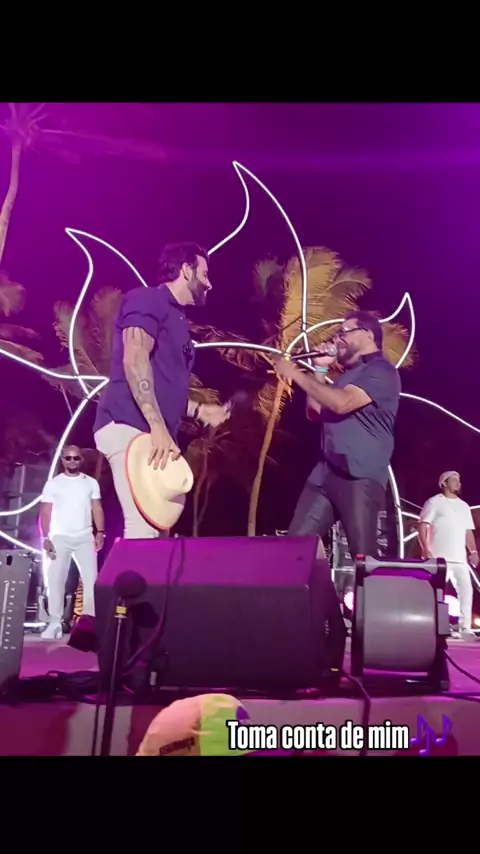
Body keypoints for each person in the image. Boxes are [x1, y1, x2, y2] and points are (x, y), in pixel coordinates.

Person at [94, 242, 230, 539]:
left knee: (158, 535)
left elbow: (161, 384)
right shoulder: (147, 299)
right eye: (205, 274)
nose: (209, 284)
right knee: (143, 531)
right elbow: (135, 358)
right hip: (129, 425)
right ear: (186, 270)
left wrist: (198, 410)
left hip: (152, 432)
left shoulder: (178, 320)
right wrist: (156, 425)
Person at [274, 310, 401, 561]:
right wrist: (319, 369)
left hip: (359, 475)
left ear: (368, 335)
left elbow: (342, 403)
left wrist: (296, 374)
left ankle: (372, 587)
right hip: (326, 473)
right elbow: (314, 412)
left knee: (363, 559)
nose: (338, 339)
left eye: (344, 332)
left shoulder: (381, 370)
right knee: (294, 550)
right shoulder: (345, 377)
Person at [40, 445, 105, 640]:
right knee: (56, 580)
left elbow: (97, 508)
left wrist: (100, 532)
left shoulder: (90, 483)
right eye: (68, 458)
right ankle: (54, 622)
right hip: (59, 537)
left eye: (76, 458)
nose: (72, 461)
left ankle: (88, 623)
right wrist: (45, 537)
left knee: (91, 580)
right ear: (62, 460)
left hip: (85, 537)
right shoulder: (53, 484)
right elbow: (45, 512)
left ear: (81, 460)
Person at [418, 471, 479, 640]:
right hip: (439, 558)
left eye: (459, 481)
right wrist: (425, 549)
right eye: (454, 480)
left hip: (459, 558)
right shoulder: (434, 502)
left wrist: (473, 551)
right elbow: (422, 526)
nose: (459, 483)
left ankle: (464, 627)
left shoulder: (464, 506)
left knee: (466, 591)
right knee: (436, 593)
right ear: (444, 483)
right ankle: (433, 626)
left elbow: (468, 531)